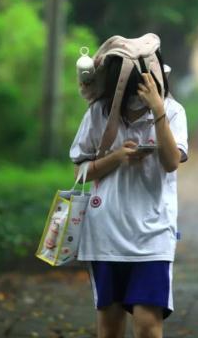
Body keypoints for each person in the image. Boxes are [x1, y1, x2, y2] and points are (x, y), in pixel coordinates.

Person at [70, 45, 188, 338]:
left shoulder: (172, 111)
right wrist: (116, 157)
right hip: (106, 234)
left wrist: (158, 109)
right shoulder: (100, 112)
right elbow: (80, 172)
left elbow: (171, 162)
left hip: (153, 234)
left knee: (148, 326)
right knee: (109, 328)